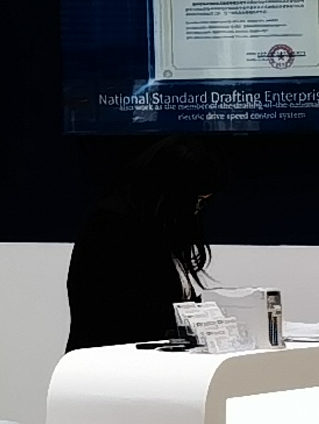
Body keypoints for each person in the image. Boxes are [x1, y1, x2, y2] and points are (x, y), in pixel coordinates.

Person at [65, 142, 215, 349]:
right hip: (114, 356)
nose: (197, 209)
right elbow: (110, 307)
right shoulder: (112, 222)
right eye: (196, 199)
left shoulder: (161, 224)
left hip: (149, 352)